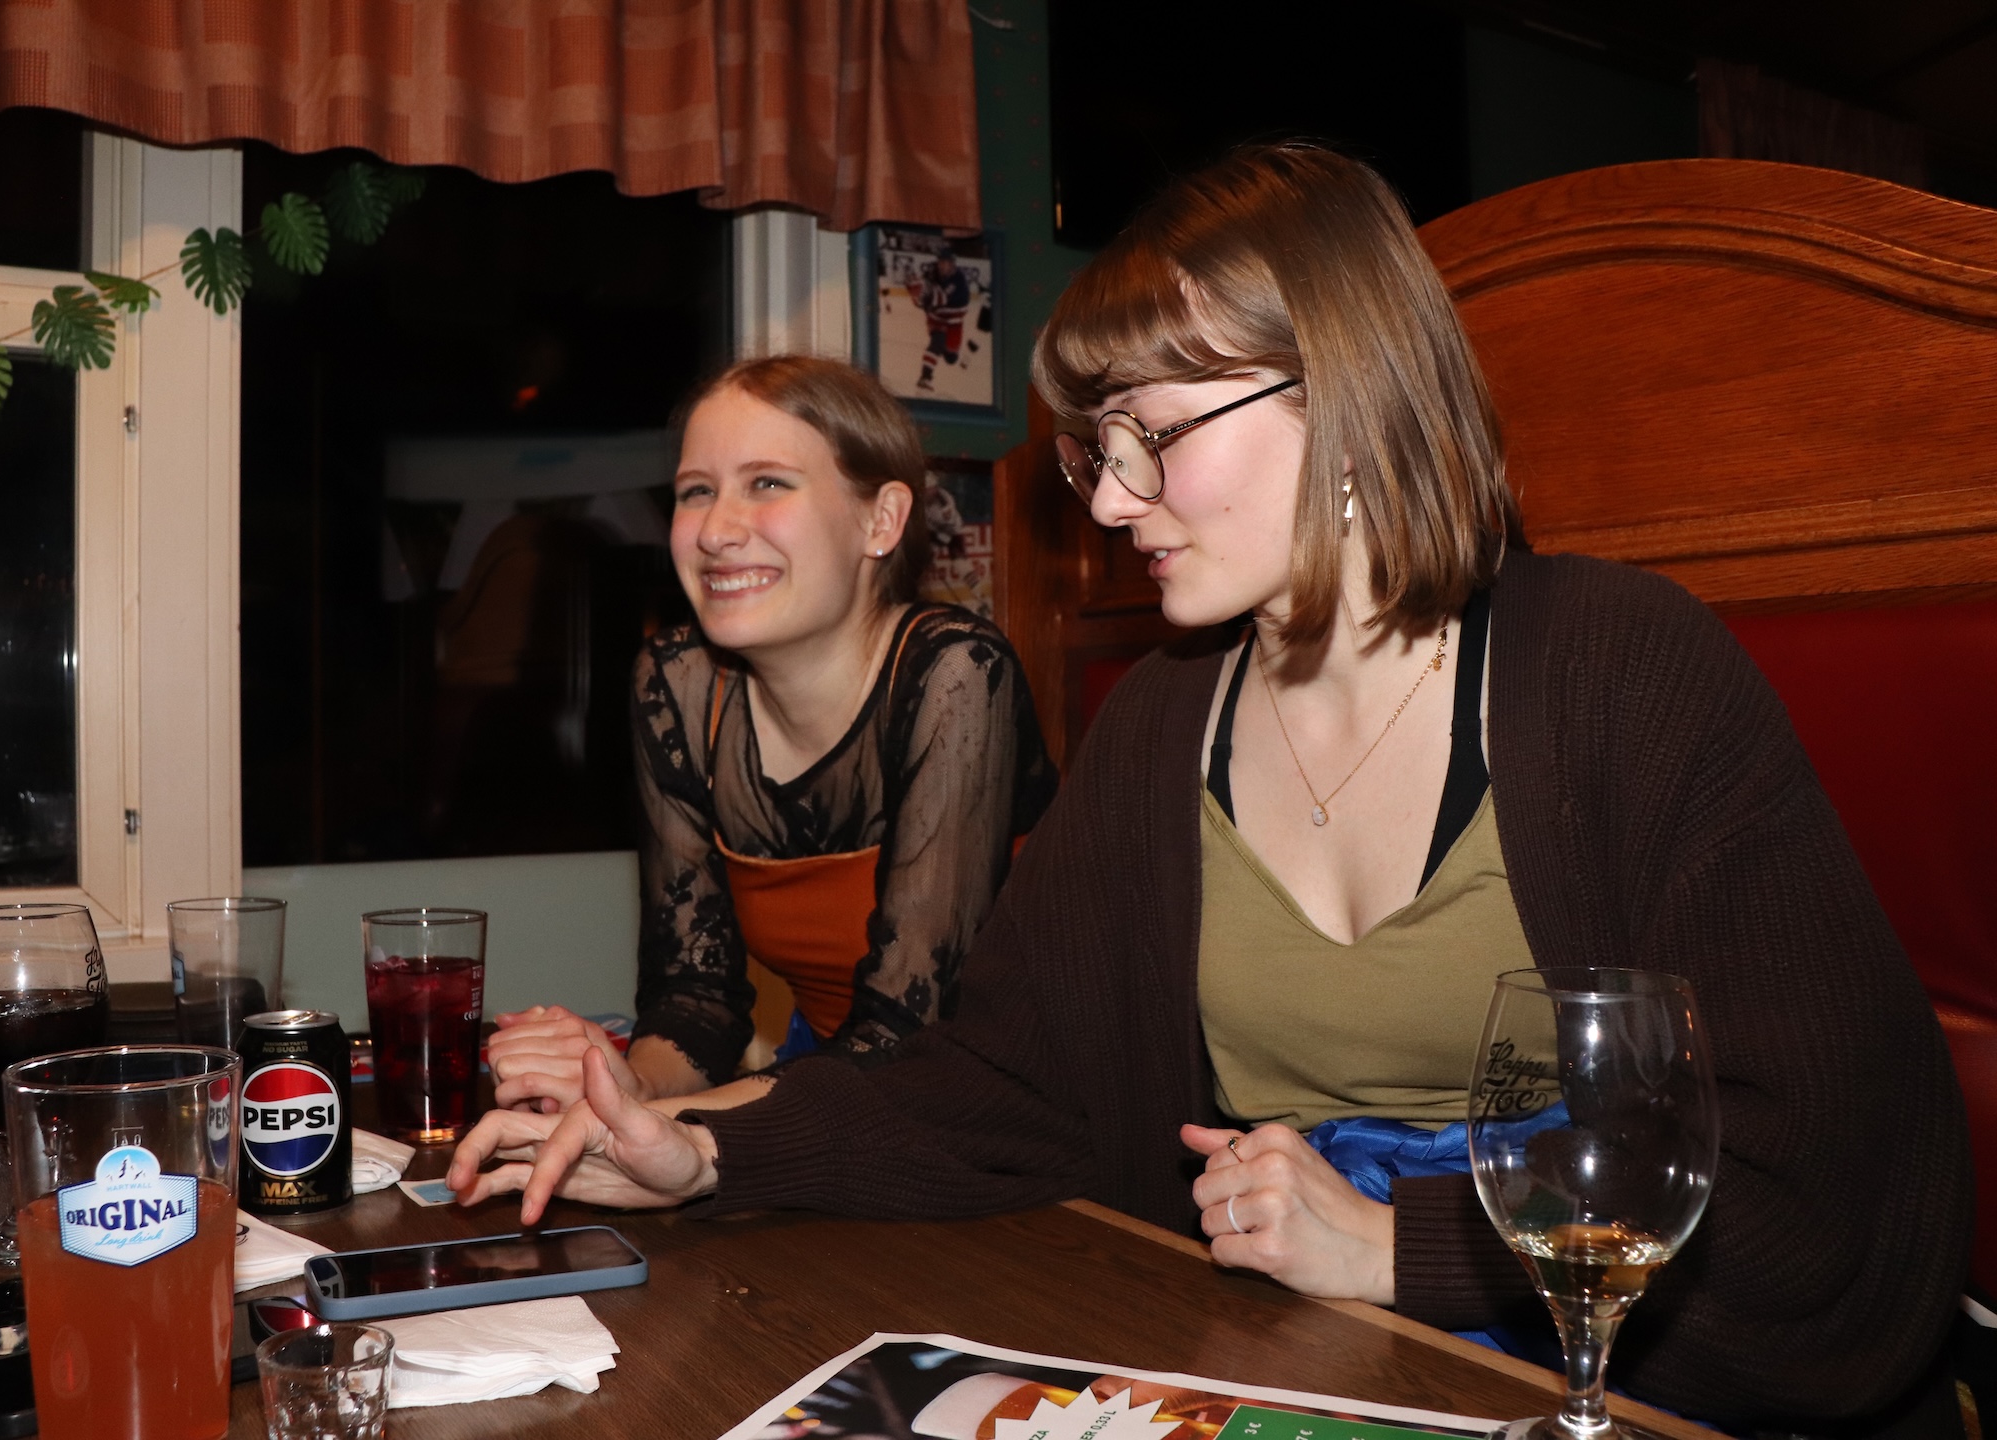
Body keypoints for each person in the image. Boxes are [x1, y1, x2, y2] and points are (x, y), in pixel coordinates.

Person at [446, 147, 1971, 1430]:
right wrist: (703, 1150)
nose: (1112, 502)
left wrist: (1396, 1248)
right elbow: (1009, 1088)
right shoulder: (1165, 722)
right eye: (1096, 451)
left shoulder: (1624, 672)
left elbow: (1814, 1184)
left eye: (1151, 438)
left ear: (1346, 393)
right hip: (1307, 1366)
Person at [482, 354, 1056, 1120]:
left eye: (768, 484)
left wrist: (652, 1128)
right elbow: (695, 996)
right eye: (696, 492)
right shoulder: (678, 683)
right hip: (828, 1090)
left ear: (881, 520)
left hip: (1023, 1103)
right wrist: (625, 1087)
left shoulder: (955, 671)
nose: (717, 530)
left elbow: (907, 1038)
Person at [912, 251, 971, 392]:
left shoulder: (958, 280)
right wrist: (921, 298)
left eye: (945, 262)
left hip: (954, 319)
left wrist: (930, 301)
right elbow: (923, 295)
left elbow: (944, 299)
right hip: (937, 318)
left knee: (951, 358)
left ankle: (948, 350)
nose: (941, 265)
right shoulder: (932, 274)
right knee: (937, 343)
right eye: (940, 262)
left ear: (952, 264)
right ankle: (925, 377)